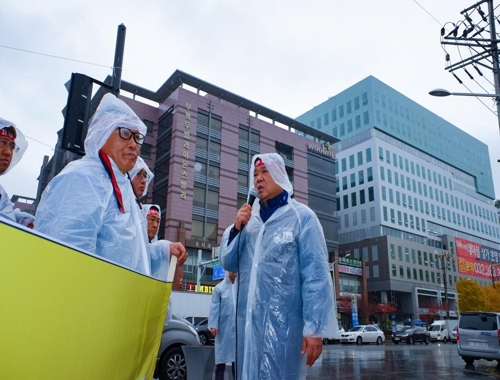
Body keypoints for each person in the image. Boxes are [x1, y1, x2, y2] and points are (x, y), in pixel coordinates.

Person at [36, 93, 186, 275]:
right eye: (125, 133)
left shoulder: (122, 189)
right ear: (102, 131)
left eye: (138, 138)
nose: (133, 144)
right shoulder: (83, 178)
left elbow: (132, 257)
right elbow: (64, 260)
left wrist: (163, 250)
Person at [220, 153, 338, 380]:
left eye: (265, 172)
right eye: (255, 174)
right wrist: (237, 229)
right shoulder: (249, 223)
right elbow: (229, 261)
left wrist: (314, 329)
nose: (258, 179)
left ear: (280, 175)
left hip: (286, 330)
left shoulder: (302, 218)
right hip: (248, 331)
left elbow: (316, 276)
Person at [208, 271, 237, 380]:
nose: (234, 272)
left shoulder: (241, 287)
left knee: (237, 361)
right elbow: (214, 308)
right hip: (223, 330)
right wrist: (213, 325)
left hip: (238, 330)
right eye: (231, 270)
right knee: (221, 360)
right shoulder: (219, 288)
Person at [0, 118, 28, 222]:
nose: (8, 152)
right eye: (2, 142)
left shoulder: (2, 195)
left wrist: (19, 221)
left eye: (12, 147)